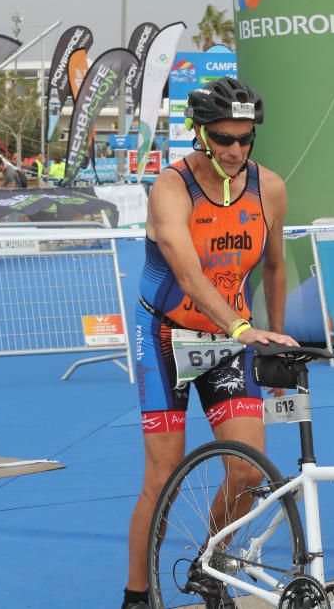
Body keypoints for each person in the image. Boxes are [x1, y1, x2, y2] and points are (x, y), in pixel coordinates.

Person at [122, 77, 297, 609]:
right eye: (223, 139)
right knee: (164, 477)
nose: (235, 151)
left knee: (247, 470)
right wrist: (242, 329)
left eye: (246, 139)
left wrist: (274, 339)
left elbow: (273, 265)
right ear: (199, 133)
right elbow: (190, 274)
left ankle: (210, 563)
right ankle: (136, 594)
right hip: (167, 336)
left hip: (230, 339)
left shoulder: (269, 187)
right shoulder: (171, 188)